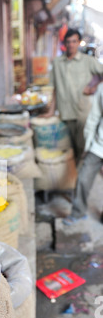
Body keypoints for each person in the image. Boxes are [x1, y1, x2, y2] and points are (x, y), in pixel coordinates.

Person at [42, 28, 103, 163]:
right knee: (67, 148)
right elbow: (55, 89)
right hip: (65, 113)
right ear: (65, 43)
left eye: (74, 41)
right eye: (68, 42)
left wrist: (94, 87)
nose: (71, 45)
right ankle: (71, 175)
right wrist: (51, 111)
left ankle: (78, 176)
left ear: (78, 42)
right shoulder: (57, 63)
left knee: (82, 147)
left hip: (83, 113)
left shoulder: (88, 61)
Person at [63, 82, 103, 225]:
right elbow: (94, 116)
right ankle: (78, 213)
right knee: (83, 178)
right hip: (98, 146)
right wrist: (88, 144)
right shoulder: (102, 88)